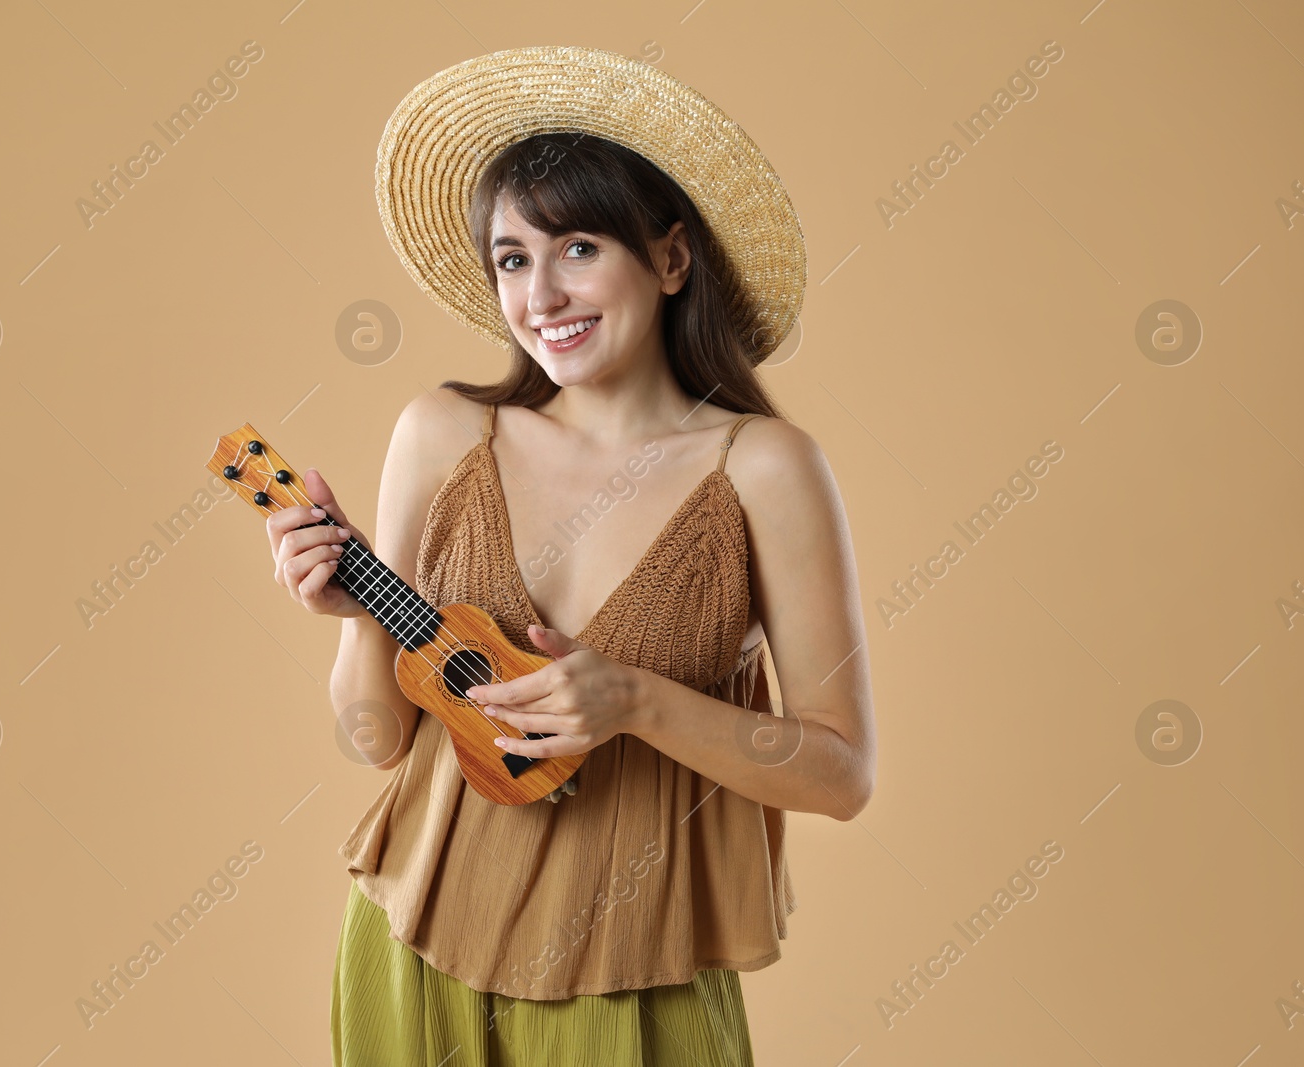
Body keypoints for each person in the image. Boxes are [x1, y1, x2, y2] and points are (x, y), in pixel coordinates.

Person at [265, 45, 876, 1066]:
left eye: (578, 247)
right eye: (512, 258)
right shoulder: (443, 434)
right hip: (413, 945)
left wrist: (634, 701)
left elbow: (840, 772)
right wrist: (350, 616)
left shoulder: (763, 468)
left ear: (672, 259)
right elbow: (377, 738)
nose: (541, 293)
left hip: (635, 973)